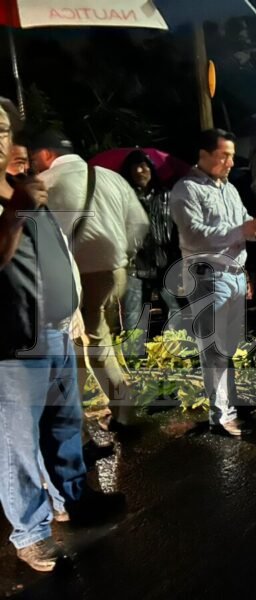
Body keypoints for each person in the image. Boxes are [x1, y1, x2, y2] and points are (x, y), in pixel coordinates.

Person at [0, 103, 124, 572]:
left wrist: (71, 307)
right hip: (13, 341)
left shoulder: (21, 187)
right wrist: (16, 212)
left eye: (4, 129)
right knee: (18, 443)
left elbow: (57, 251)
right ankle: (29, 532)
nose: (1, 139)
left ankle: (71, 498)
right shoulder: (16, 199)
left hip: (53, 330)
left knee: (63, 424)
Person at [30, 130, 150, 427]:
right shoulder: (110, 177)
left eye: (33, 159)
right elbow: (140, 222)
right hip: (117, 271)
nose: (32, 165)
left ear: (46, 154)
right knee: (98, 338)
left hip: (80, 275)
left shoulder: (45, 183)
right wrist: (122, 253)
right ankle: (107, 407)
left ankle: (117, 409)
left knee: (85, 342)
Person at [171, 129, 256, 436]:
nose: (231, 162)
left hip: (234, 275)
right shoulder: (186, 190)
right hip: (207, 276)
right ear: (203, 155)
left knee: (228, 346)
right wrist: (243, 231)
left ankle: (229, 403)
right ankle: (220, 416)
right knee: (214, 349)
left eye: (231, 156)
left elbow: (242, 223)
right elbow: (195, 235)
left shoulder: (228, 188)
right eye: (224, 156)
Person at [118, 149, 181, 332]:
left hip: (165, 262)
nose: (139, 171)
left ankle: (172, 348)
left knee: (174, 312)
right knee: (133, 318)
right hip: (134, 265)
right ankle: (134, 350)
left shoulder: (167, 195)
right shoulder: (124, 198)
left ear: (151, 169)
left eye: (143, 166)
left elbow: (178, 228)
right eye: (134, 167)